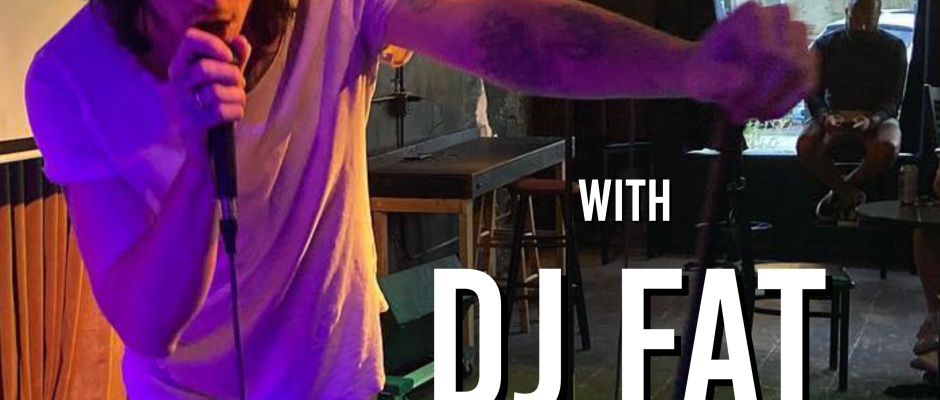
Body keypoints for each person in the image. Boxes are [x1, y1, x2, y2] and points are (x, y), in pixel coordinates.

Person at [24, 0, 813, 398]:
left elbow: (505, 27)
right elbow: (147, 321)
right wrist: (203, 168)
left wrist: (689, 68)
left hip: (336, 379)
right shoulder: (68, 75)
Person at [797, 0, 908, 222]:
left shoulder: (894, 47)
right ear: (847, 12)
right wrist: (825, 117)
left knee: (888, 146)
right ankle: (849, 194)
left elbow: (893, 99)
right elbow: (811, 92)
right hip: (833, 114)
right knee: (805, 144)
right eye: (856, 20)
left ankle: (839, 192)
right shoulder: (824, 44)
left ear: (879, 15)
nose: (862, 26)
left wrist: (873, 119)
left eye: (869, 20)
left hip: (876, 117)